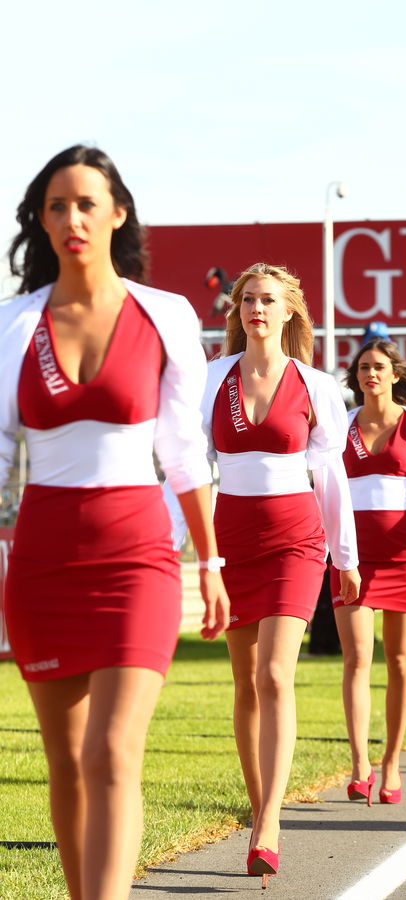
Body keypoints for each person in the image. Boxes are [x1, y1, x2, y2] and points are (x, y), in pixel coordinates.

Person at [0, 145, 229, 900]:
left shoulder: (166, 314)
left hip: (138, 557)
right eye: (57, 205)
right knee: (64, 763)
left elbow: (185, 452)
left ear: (118, 212)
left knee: (111, 755)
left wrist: (215, 565)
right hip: (40, 565)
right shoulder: (14, 324)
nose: (71, 218)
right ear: (41, 218)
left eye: (86, 203)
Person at [185, 262, 360, 885]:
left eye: (268, 299)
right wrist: (188, 546)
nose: (256, 307)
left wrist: (346, 556)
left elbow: (332, 476)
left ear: (290, 312)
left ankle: (268, 825)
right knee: (243, 682)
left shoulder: (317, 385)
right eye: (247, 299)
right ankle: (262, 805)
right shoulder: (210, 380)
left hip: (295, 539)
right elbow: (188, 466)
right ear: (235, 310)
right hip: (232, 537)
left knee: (273, 673)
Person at [330, 339, 406, 804]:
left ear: (395, 374)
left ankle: (392, 763)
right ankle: (360, 764)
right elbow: (328, 490)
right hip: (350, 554)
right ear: (355, 377)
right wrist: (341, 555)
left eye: (378, 367)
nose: (369, 374)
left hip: (404, 553)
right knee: (357, 658)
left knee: (399, 659)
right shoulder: (341, 424)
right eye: (362, 368)